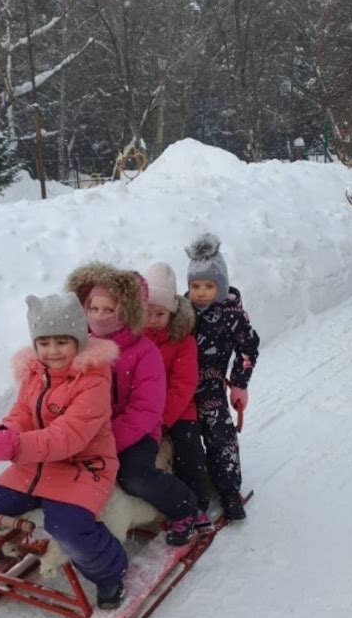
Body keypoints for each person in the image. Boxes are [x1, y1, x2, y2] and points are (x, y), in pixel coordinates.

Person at [0, 292, 128, 610]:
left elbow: (66, 438)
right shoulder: (34, 373)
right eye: (44, 343)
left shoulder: (93, 381)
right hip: (34, 464)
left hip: (82, 467)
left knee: (68, 527)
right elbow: (20, 416)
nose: (52, 351)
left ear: (79, 340)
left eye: (62, 341)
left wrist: (12, 446)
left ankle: (111, 571)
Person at [66, 263, 198, 545]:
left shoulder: (143, 352)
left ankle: (183, 504)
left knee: (133, 477)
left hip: (135, 434)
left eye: (108, 310)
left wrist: (109, 440)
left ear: (124, 311)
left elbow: (145, 410)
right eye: (93, 308)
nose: (99, 316)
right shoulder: (83, 345)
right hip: (91, 429)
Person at [185, 233, 260, 520]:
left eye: (208, 285)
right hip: (181, 388)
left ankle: (229, 490)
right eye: (195, 286)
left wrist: (239, 384)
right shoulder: (183, 312)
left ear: (221, 284)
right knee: (186, 441)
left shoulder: (232, 315)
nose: (201, 292)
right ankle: (191, 491)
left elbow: (248, 348)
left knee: (220, 438)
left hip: (212, 387)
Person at [143, 262, 213, 533]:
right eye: (147, 313)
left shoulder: (183, 341)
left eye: (159, 313)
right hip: (144, 410)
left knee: (188, 451)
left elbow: (184, 385)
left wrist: (162, 420)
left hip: (179, 410)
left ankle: (197, 504)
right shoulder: (137, 338)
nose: (153, 320)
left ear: (171, 312)